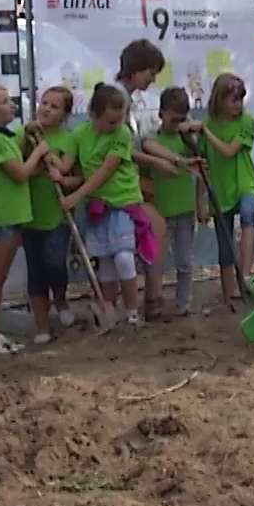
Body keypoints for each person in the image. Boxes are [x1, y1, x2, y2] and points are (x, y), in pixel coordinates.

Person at [0, 82, 49, 354]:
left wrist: (26, 131)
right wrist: (39, 153)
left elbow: (15, 139)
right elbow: (19, 173)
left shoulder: (4, 136)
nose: (12, 105)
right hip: (1, 217)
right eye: (4, 102)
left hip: (14, 215)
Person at [64, 83, 149, 324]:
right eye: (111, 121)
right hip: (97, 206)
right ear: (93, 115)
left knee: (123, 256)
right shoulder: (79, 134)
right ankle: (109, 310)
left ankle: (132, 310)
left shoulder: (122, 134)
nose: (116, 125)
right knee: (107, 262)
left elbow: (105, 171)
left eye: (120, 119)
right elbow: (66, 165)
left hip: (123, 202)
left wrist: (75, 197)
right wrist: (52, 165)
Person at [113, 40, 186, 319]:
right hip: (118, 186)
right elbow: (124, 151)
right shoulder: (118, 100)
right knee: (154, 228)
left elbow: (141, 142)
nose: (153, 79)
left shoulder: (128, 100)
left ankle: (151, 300)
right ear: (136, 69)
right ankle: (149, 301)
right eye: (151, 72)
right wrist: (159, 162)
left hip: (128, 183)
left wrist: (174, 159)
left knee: (154, 229)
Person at [17, 86, 81, 343]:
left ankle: (62, 300)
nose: (46, 109)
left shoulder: (69, 140)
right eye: (44, 103)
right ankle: (42, 326)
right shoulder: (24, 134)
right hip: (28, 214)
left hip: (57, 215)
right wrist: (31, 144)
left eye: (54, 106)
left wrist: (61, 177)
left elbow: (73, 174)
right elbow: (16, 167)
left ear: (64, 115)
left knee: (54, 262)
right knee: (36, 271)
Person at [199, 73, 254, 300]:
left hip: (246, 184)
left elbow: (228, 151)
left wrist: (204, 132)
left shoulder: (246, 121)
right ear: (219, 99)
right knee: (225, 249)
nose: (238, 105)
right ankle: (228, 298)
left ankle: (244, 275)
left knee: (247, 214)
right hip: (220, 191)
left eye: (240, 100)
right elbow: (202, 166)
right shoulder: (207, 125)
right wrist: (200, 202)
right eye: (233, 100)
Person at [149, 86, 204, 317]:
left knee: (184, 261)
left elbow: (202, 172)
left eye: (182, 119)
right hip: (160, 211)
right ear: (161, 113)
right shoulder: (152, 140)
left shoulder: (188, 141)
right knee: (156, 263)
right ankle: (155, 302)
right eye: (173, 119)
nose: (177, 125)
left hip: (184, 210)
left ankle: (184, 303)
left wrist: (200, 204)